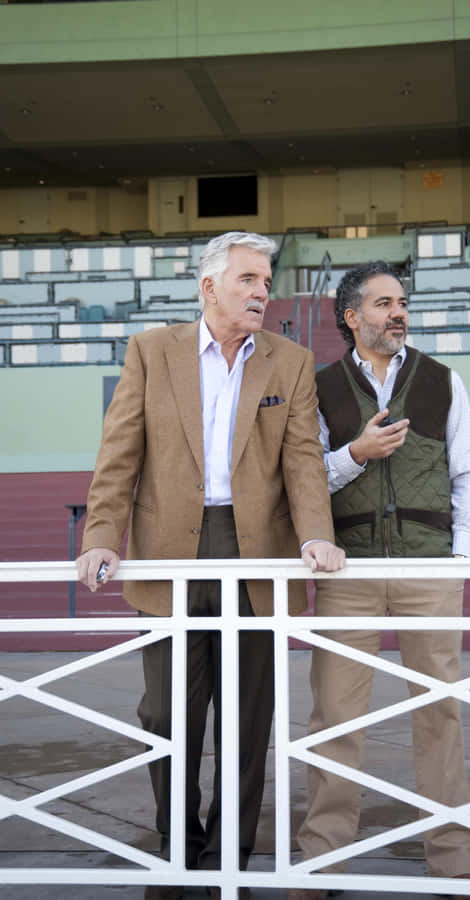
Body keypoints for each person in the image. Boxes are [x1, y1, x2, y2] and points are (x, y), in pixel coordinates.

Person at [76, 231, 345, 900]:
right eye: (249, 279)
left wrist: (315, 534)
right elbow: (119, 454)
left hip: (257, 555)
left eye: (266, 280)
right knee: (167, 715)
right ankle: (179, 853)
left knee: (247, 721)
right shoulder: (150, 350)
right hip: (169, 554)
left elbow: (303, 463)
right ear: (209, 287)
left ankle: (228, 860)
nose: (263, 292)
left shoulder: (291, 360)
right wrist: (102, 534)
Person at [290, 260, 470, 900]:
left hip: (429, 570)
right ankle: (321, 869)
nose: (397, 313)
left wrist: (458, 558)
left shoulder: (442, 381)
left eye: (401, 302)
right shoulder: (318, 387)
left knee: (442, 716)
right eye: (382, 303)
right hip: (347, 570)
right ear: (352, 317)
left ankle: (454, 865)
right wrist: (357, 454)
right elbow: (305, 480)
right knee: (336, 721)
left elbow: (469, 472)